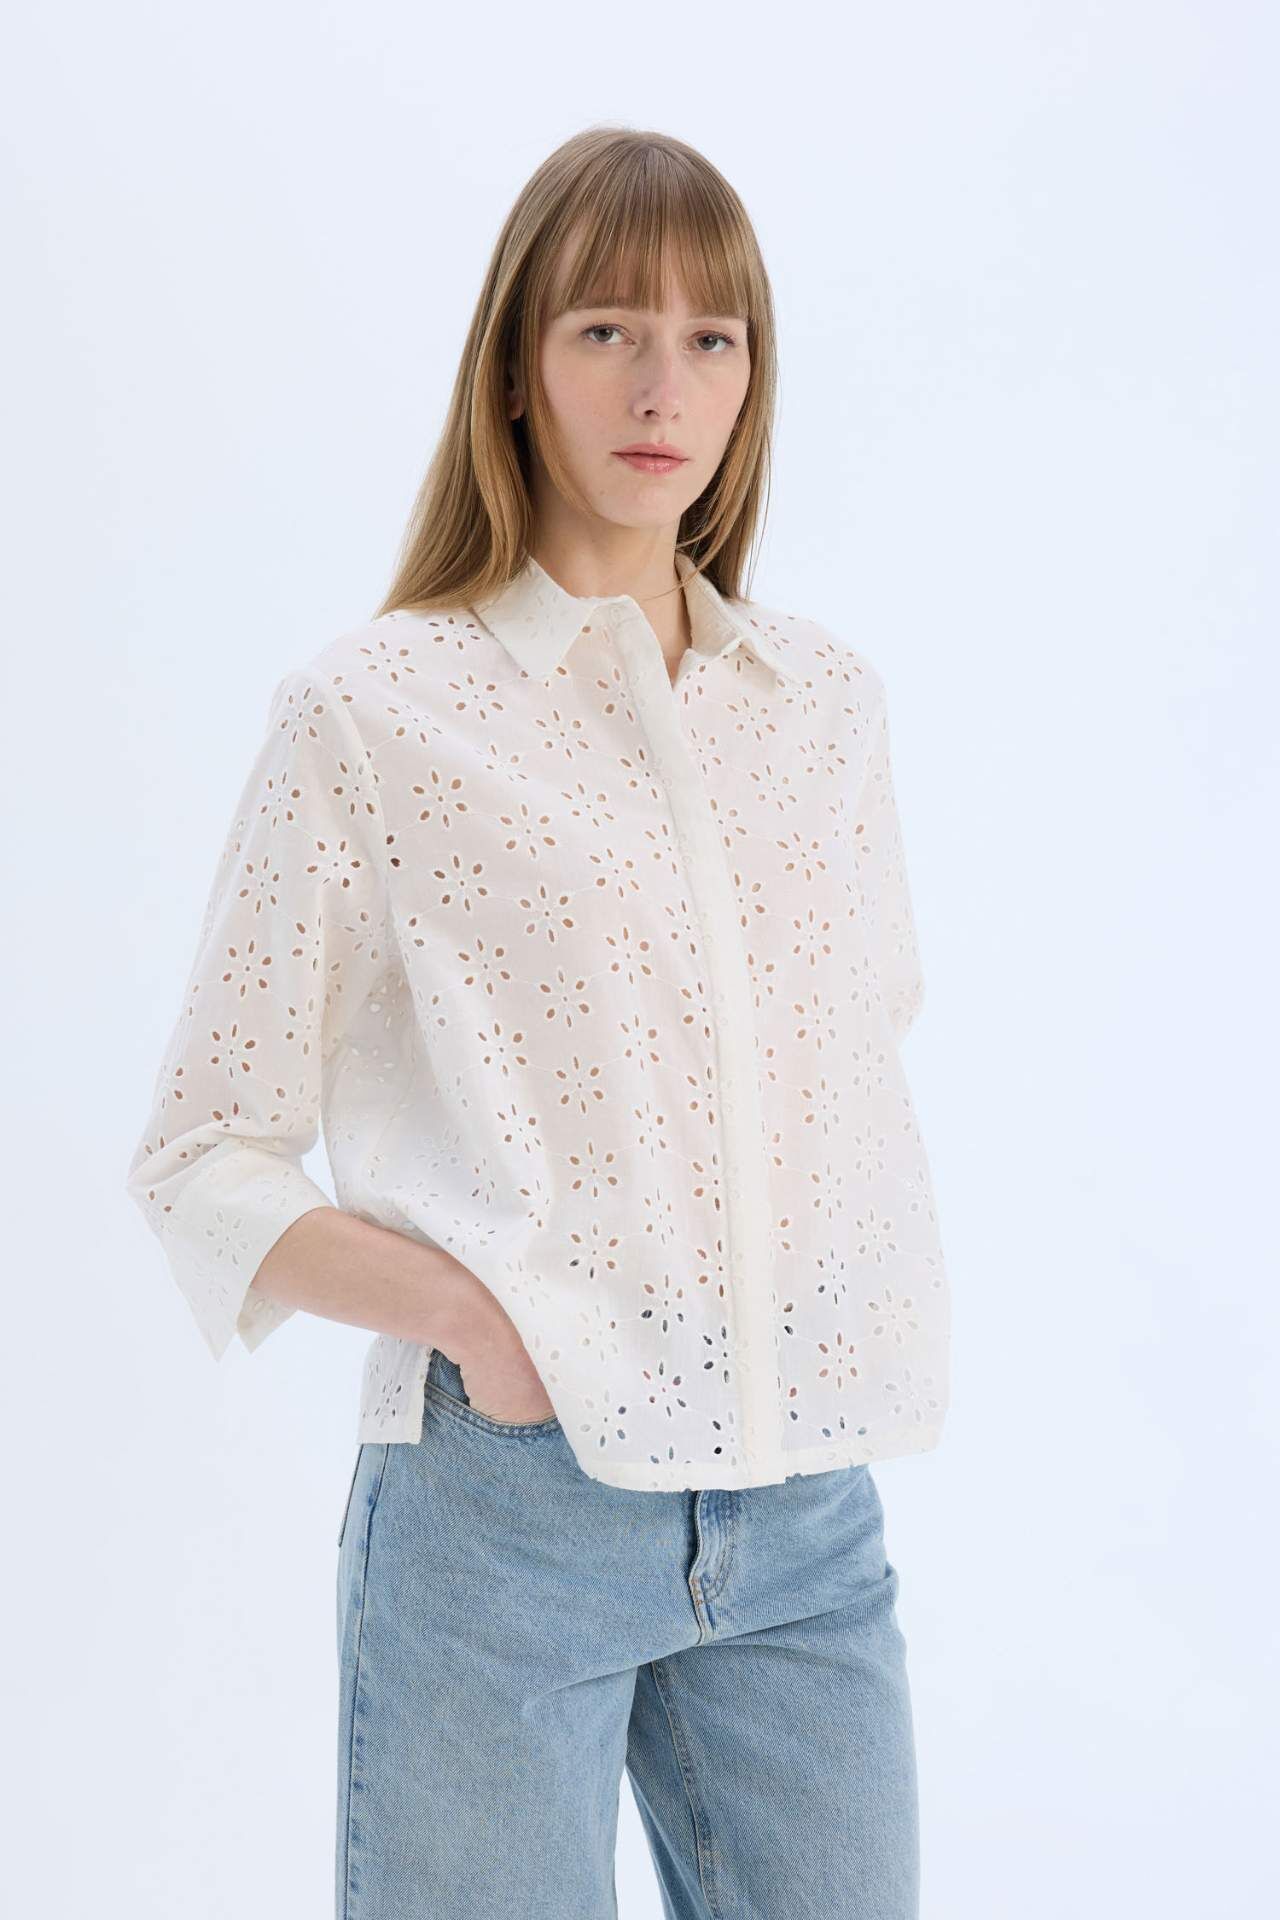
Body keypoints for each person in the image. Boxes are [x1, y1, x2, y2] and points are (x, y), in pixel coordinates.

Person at [125, 124, 951, 1919]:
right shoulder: (376, 712)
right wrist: (474, 1322)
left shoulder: (822, 706)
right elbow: (200, 1151)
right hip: (510, 1512)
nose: (665, 387)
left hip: (806, 1510)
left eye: (713, 338)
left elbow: (855, 1051)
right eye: (607, 331)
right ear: (517, 366)